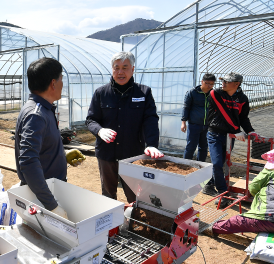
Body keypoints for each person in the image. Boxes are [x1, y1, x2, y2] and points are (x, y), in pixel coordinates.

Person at [86, 51, 163, 203]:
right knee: (108, 195)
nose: (120, 72)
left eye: (125, 67)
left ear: (133, 69)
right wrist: (100, 130)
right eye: (116, 68)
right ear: (112, 69)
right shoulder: (101, 93)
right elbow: (90, 120)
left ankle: (134, 223)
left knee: (135, 196)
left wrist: (152, 144)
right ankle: (111, 225)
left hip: (132, 156)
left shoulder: (144, 92)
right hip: (107, 155)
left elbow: (150, 120)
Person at [15, 57, 84, 220]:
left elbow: (38, 149)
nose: (62, 84)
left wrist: (59, 157)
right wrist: (52, 206)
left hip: (45, 191)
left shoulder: (42, 109)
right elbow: (28, 161)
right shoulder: (36, 115)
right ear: (53, 83)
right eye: (61, 79)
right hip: (41, 197)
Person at [203, 72, 257, 207]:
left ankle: (209, 185)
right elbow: (224, 113)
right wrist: (236, 130)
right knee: (216, 163)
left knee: (222, 163)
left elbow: (243, 117)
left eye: (227, 81)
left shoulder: (243, 99)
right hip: (215, 134)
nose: (223, 83)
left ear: (237, 84)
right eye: (223, 81)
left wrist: (251, 131)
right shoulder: (215, 93)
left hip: (229, 137)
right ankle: (223, 193)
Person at [181, 73, 216, 162]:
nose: (209, 86)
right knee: (191, 146)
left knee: (203, 147)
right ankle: (185, 165)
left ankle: (200, 166)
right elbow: (186, 107)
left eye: (211, 84)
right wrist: (183, 122)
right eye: (207, 83)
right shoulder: (193, 92)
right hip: (194, 125)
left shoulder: (213, 94)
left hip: (208, 126)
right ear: (202, 82)